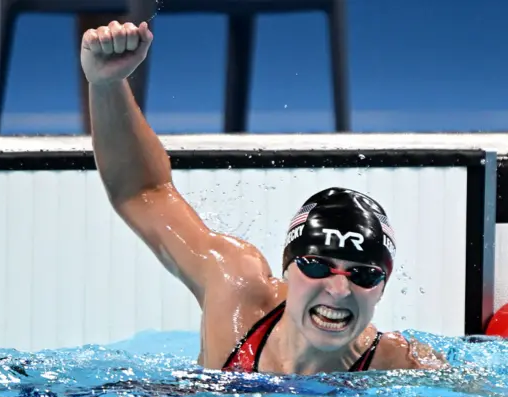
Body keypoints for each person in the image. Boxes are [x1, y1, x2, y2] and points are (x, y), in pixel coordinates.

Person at [80, 20, 448, 375]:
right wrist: (107, 85)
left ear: (382, 287)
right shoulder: (236, 290)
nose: (338, 290)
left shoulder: (401, 365)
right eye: (317, 266)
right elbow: (143, 191)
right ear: (287, 268)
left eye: (363, 275)